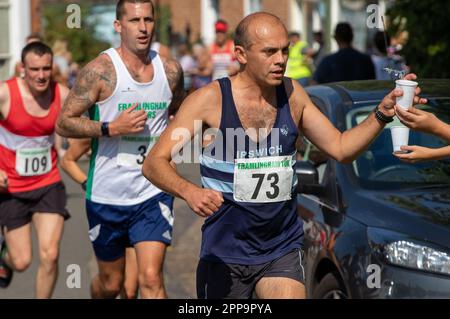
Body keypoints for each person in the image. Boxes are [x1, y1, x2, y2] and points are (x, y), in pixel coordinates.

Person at [142, 12, 425, 299]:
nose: (280, 59)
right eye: (269, 52)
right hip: (225, 253)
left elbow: (341, 148)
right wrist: (189, 191)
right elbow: (154, 162)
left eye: (284, 50)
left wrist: (381, 114)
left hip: (281, 247)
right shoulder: (208, 101)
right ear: (241, 54)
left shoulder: (292, 94)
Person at [56, 0, 185, 299]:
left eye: (148, 20)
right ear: (118, 25)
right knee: (113, 285)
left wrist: (182, 141)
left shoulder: (170, 70)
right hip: (107, 195)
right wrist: (110, 128)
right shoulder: (100, 71)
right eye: (134, 20)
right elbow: (64, 122)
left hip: (152, 191)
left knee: (151, 280)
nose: (143, 28)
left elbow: (178, 112)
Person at [0, 42, 71, 297]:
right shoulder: (5, 94)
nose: (41, 76)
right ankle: (5, 257)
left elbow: (84, 125)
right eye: (34, 69)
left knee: (50, 254)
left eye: (46, 69)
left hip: (47, 183)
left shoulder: (61, 94)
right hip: (11, 189)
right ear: (22, 69)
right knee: (22, 262)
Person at [60, 138, 139, 299]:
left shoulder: (152, 129)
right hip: (107, 211)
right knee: (111, 286)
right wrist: (87, 183)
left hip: (140, 209)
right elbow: (67, 160)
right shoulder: (106, 129)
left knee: (130, 291)